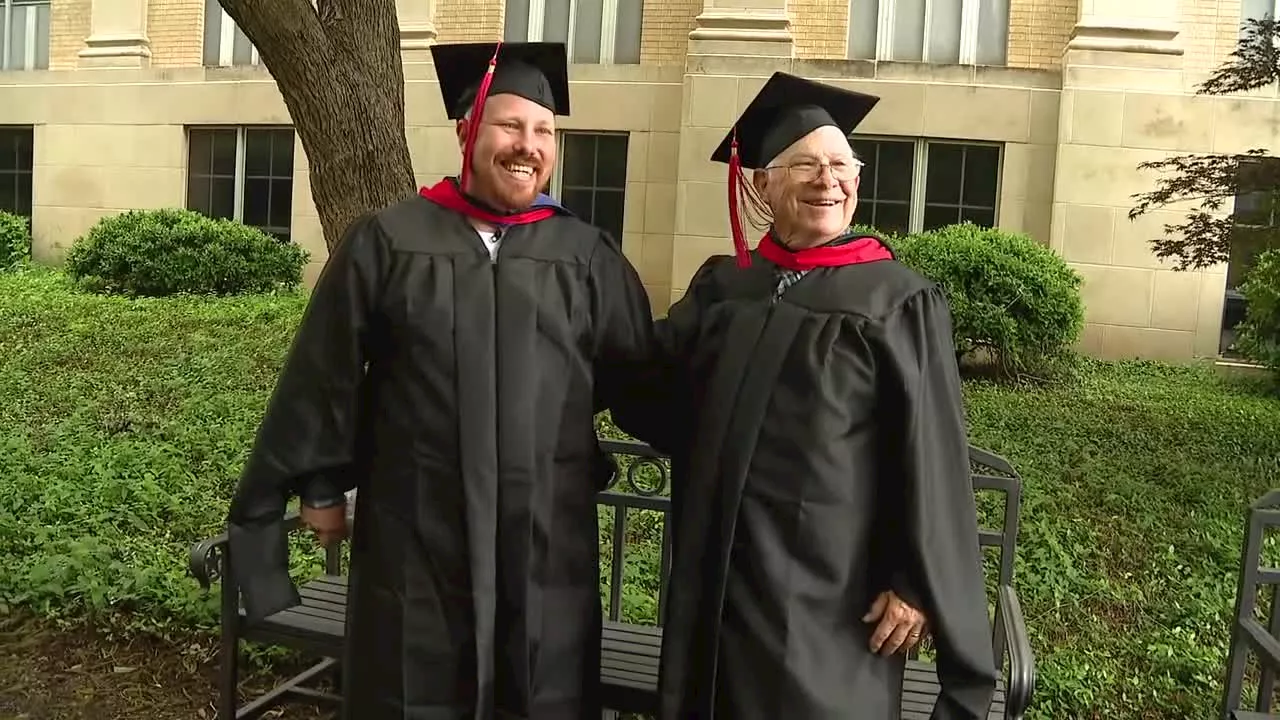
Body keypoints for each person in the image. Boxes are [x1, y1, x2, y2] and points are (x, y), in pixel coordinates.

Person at [225, 41, 656, 720]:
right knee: (410, 688)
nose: (529, 145)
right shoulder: (390, 241)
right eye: (509, 125)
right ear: (466, 131)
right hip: (414, 534)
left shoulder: (585, 256)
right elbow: (325, 370)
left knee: (540, 690)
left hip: (545, 540)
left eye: (544, 131)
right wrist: (317, 482)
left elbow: (642, 380)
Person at [611, 71, 998, 719]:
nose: (829, 180)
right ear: (763, 183)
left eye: (842, 165)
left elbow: (930, 450)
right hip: (722, 577)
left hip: (835, 586)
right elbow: (650, 382)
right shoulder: (728, 288)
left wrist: (914, 581)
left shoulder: (896, 299)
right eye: (806, 165)